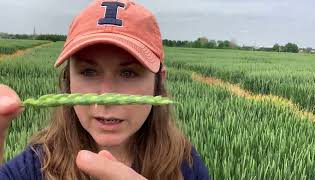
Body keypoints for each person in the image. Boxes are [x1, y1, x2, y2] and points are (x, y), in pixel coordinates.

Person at [0, 0, 210, 179]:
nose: (105, 98)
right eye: (89, 72)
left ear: (158, 83)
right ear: (68, 80)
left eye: (128, 74)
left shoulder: (185, 164)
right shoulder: (33, 166)